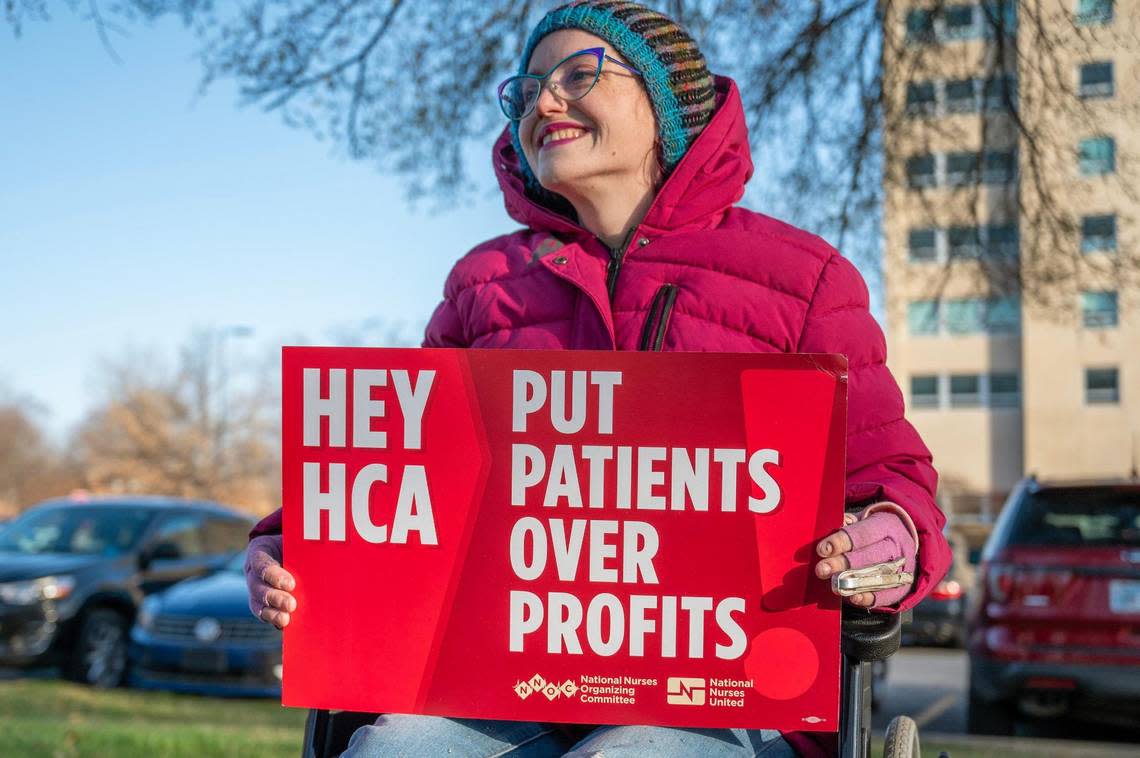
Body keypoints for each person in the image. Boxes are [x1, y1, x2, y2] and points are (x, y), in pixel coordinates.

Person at [245, 2, 951, 755]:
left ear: (665, 104)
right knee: (393, 750)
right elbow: (400, 466)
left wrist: (888, 538)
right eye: (526, 91)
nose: (544, 101)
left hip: (718, 691)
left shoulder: (804, 280)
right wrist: (296, 546)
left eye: (578, 75)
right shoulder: (484, 285)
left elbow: (890, 476)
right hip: (500, 682)